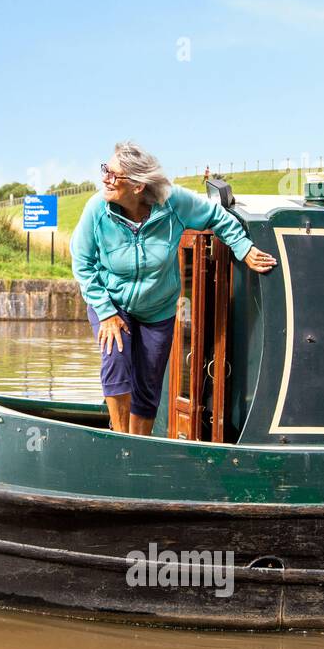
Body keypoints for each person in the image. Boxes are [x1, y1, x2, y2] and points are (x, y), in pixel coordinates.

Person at [70, 141, 277, 435]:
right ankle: (120, 440)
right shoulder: (97, 210)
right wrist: (105, 312)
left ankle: (140, 444)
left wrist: (243, 247)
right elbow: (82, 261)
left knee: (149, 382)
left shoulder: (173, 202)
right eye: (106, 170)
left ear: (138, 186)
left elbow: (216, 216)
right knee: (115, 361)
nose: (105, 178)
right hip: (111, 301)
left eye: (113, 174)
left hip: (158, 308)